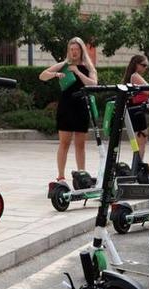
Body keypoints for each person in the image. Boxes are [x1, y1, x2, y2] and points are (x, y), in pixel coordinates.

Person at [38, 37, 98, 182]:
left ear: (81, 50)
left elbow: (93, 84)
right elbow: (42, 76)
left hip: (82, 106)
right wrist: (55, 74)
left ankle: (82, 174)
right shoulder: (64, 64)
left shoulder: (88, 67)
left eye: (76, 49)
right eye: (71, 50)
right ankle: (61, 176)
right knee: (64, 142)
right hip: (66, 106)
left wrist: (77, 72)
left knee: (80, 144)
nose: (74, 52)